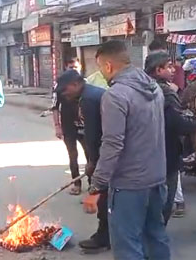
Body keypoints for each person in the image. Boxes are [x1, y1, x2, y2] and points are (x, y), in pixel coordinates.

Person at [82, 40, 170, 260]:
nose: (101, 73)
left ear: (109, 66)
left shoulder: (115, 95)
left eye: (100, 67)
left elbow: (112, 144)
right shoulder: (155, 88)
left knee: (127, 245)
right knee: (156, 236)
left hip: (129, 185)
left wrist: (96, 187)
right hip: (157, 179)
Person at [144, 51, 196, 225]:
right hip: (166, 151)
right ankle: (156, 238)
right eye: (169, 66)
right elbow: (177, 123)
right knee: (164, 200)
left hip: (145, 152)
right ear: (158, 69)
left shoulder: (140, 87)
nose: (173, 70)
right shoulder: (163, 92)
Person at [55, 70, 110, 253]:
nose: (64, 94)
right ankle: (107, 234)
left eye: (65, 89)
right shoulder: (87, 95)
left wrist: (93, 161)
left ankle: (104, 237)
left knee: (103, 195)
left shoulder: (89, 99)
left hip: (108, 153)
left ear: (77, 84)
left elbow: (94, 134)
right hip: (108, 152)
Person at [52, 58, 88, 195]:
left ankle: (93, 184)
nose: (74, 69)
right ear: (66, 68)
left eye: (76, 67)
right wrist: (57, 126)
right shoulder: (59, 87)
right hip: (68, 125)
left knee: (89, 154)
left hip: (84, 126)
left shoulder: (85, 85)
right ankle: (76, 183)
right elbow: (54, 107)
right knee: (73, 155)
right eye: (71, 67)